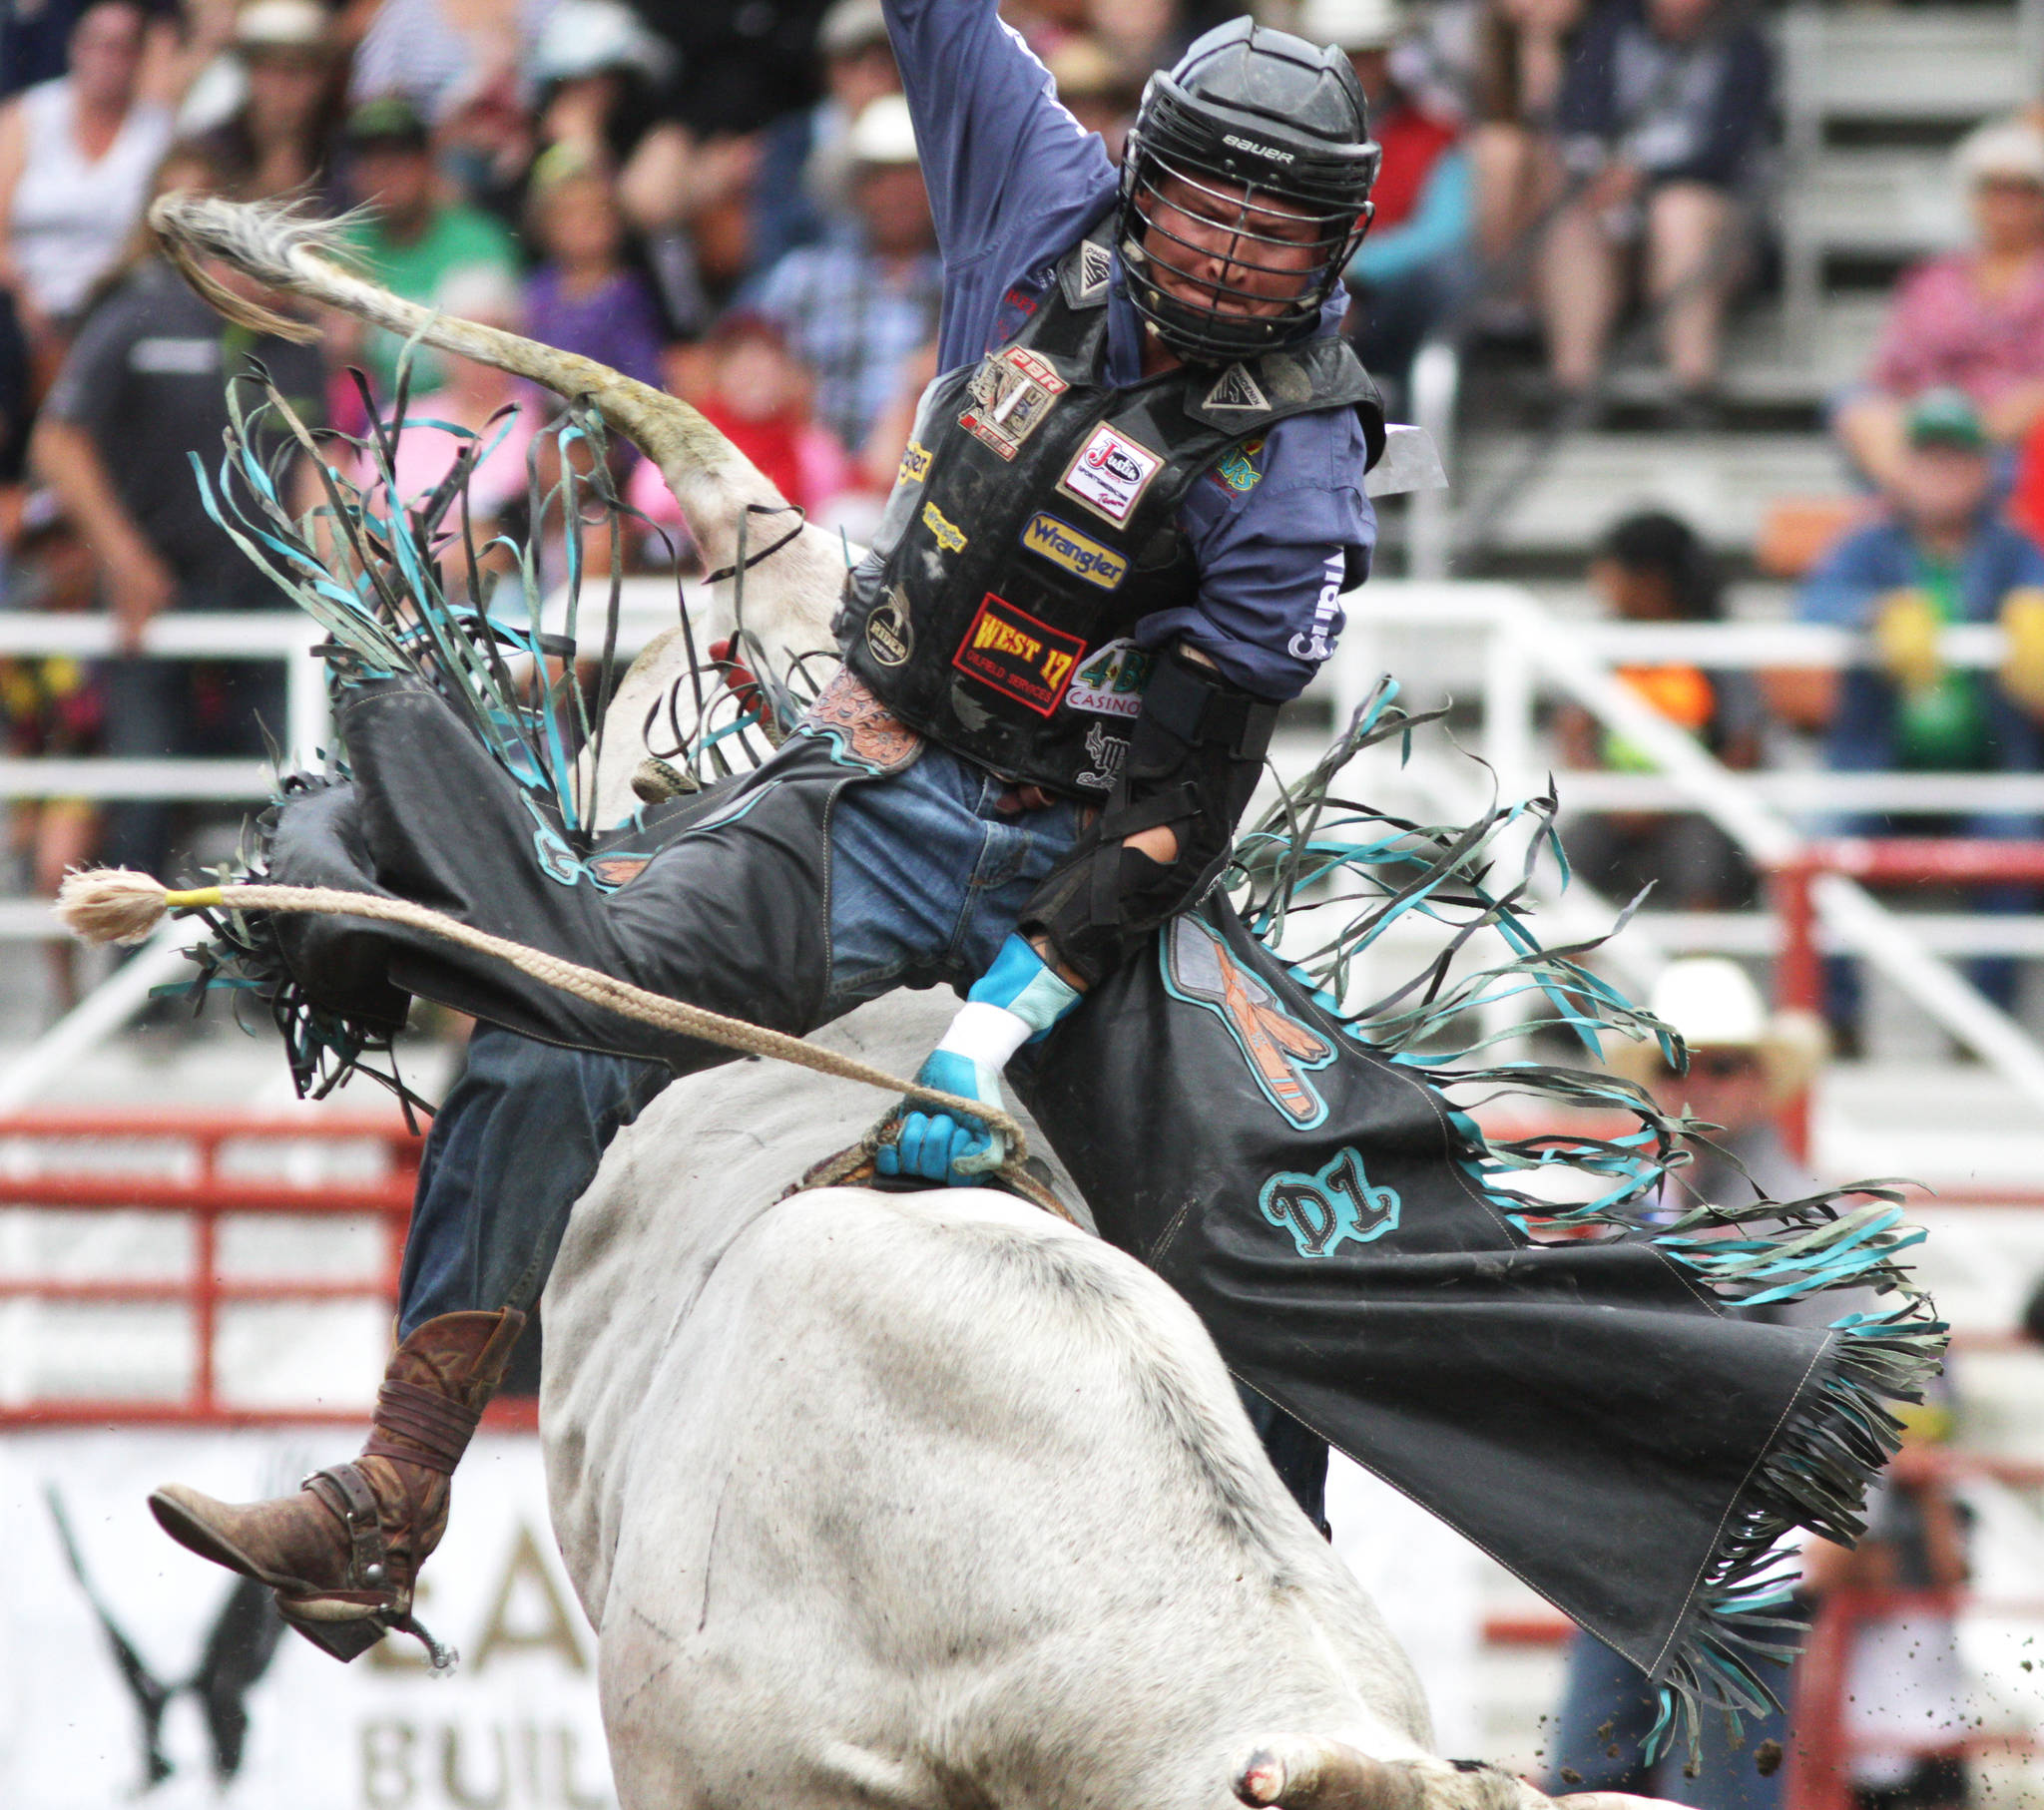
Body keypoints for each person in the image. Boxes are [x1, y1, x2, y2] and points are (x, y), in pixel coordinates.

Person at [146, 7, 1388, 1662]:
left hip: (1097, 871)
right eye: (1202, 206)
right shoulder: (1034, 199)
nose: (1229, 254)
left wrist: (998, 1021)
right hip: (877, 787)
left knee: (1266, 1216)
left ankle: (1293, 1634)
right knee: (554, 1015)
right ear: (1140, 181)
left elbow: (1181, 805)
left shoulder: (1297, 470)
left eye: (1274, 227)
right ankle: (390, 1495)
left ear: (1331, 247)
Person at [1548, 955, 1826, 1810]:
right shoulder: (1643, 1210)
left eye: (1720, 1065)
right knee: (1600, 1777)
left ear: (1755, 1080)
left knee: (1708, 1785)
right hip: (1640, 1543)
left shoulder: (1798, 1214)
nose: (1697, 1086)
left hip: (1737, 1547)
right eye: (1678, 1065)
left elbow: (1848, 1374)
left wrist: (1822, 1523)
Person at [28, 139, 326, 885]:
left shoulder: (292, 339)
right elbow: (58, 444)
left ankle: (283, 975)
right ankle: (140, 985)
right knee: (145, 787)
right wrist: (123, 560)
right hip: (150, 591)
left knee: (300, 783)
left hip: (262, 591)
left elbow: (317, 475)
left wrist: (341, 574)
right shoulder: (137, 313)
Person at [1773, 387, 2044, 1041]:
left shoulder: (2014, 550)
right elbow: (1813, 607)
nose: (1943, 474)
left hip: (1990, 764)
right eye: (1929, 458)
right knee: (1821, 834)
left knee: (2015, 828)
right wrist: (1873, 614)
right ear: (1904, 469)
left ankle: (1984, 1024)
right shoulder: (1869, 546)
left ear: (1985, 472)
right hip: (1878, 762)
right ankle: (1833, 1021)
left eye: (1958, 459)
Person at [1536, 0, 1771, 413]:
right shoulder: (1611, 30)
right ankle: (1572, 385)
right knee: (1574, 218)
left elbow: (1728, 154)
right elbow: (1576, 118)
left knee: (1677, 214)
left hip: (1707, 210)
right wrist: (1602, 172)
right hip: (1616, 204)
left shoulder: (1745, 45)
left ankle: (1692, 383)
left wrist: (1645, 178)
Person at [1557, 509, 1760, 910]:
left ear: (1652, 579)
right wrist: (1614, 798)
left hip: (1694, 808)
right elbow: (1573, 734)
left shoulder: (1715, 648)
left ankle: (1700, 967)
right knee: (1567, 857)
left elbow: (1744, 746)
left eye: (1610, 571)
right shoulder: (1606, 645)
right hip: (1614, 805)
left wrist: (1677, 799)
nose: (1600, 583)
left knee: (1705, 862)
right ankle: (1566, 973)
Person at [1836, 118, 2044, 497]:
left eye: (2024, 190)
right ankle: (1925, 495)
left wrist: (1988, 424)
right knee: (1855, 405)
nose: (2008, 202)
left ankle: (1934, 499)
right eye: (1995, 188)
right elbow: (1889, 370)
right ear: (1972, 196)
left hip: (2009, 436)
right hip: (1924, 422)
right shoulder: (1934, 277)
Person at [744, 91, 943, 455]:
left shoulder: (965, 284)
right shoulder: (805, 276)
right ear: (858, 189)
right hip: (816, 481)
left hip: (931, 478)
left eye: (912, 176)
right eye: (881, 178)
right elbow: (746, 365)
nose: (898, 193)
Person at [1306, 0, 1470, 408]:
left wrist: (1354, 269)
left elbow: (1445, 231)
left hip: (1390, 301)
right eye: (1343, 56)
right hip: (1297, 286)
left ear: (1386, 56)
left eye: (1365, 54)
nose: (1355, 69)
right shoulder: (1284, 134)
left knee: (1445, 278)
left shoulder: (1433, 131)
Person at [0, 0, 172, 384]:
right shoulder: (26, 116)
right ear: (74, 46)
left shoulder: (159, 132)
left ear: (140, 57)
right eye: (94, 43)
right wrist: (29, 306)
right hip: (24, 302)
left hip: (118, 302)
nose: (104, 59)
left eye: (120, 47)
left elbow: (152, 239)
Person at [336, 95, 521, 398]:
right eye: (370, 160)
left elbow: (497, 368)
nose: (385, 172)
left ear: (428, 163)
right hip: (374, 426)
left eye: (400, 158)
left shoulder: (478, 243)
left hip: (466, 424)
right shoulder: (346, 250)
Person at [520, 142, 667, 394]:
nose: (587, 223)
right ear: (545, 224)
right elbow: (522, 370)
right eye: (570, 214)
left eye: (596, 211)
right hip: (544, 421)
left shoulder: (628, 294)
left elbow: (643, 380)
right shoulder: (538, 289)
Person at [192, 0, 345, 205]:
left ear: (323, 76)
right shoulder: (211, 151)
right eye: (269, 69)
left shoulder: (348, 156)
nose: (282, 87)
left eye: (297, 70)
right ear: (248, 72)